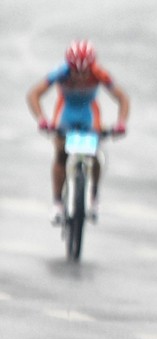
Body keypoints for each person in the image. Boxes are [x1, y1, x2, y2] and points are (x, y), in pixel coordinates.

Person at [27, 40, 130, 224]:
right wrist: (42, 119)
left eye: (85, 72)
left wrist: (121, 123)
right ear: (69, 66)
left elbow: (122, 98)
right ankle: (57, 203)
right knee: (60, 154)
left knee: (95, 154)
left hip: (88, 115)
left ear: (92, 66)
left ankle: (94, 195)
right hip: (66, 113)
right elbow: (34, 94)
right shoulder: (61, 72)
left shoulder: (99, 73)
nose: (80, 76)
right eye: (75, 71)